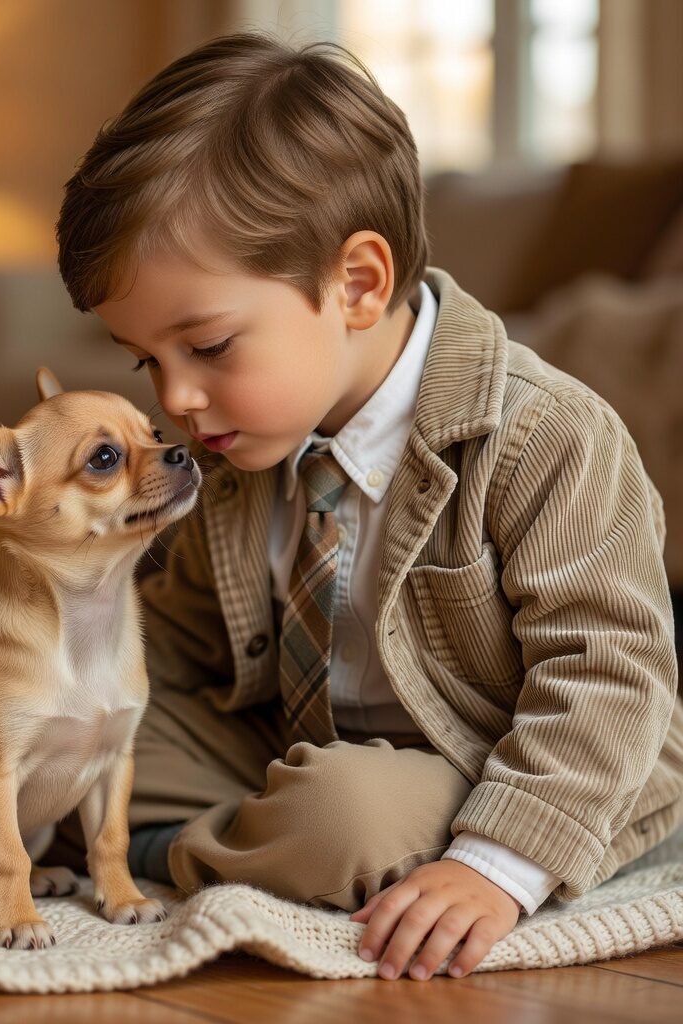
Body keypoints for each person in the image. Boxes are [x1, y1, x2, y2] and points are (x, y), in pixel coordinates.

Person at [46, 30, 683, 981]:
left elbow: (610, 677)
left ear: (356, 283)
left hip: (499, 760)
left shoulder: (545, 435)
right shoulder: (236, 446)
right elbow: (174, 645)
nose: (174, 397)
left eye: (209, 347)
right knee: (59, 733)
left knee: (343, 818)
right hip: (289, 738)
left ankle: (142, 854)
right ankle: (156, 835)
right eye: (150, 362)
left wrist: (496, 868)